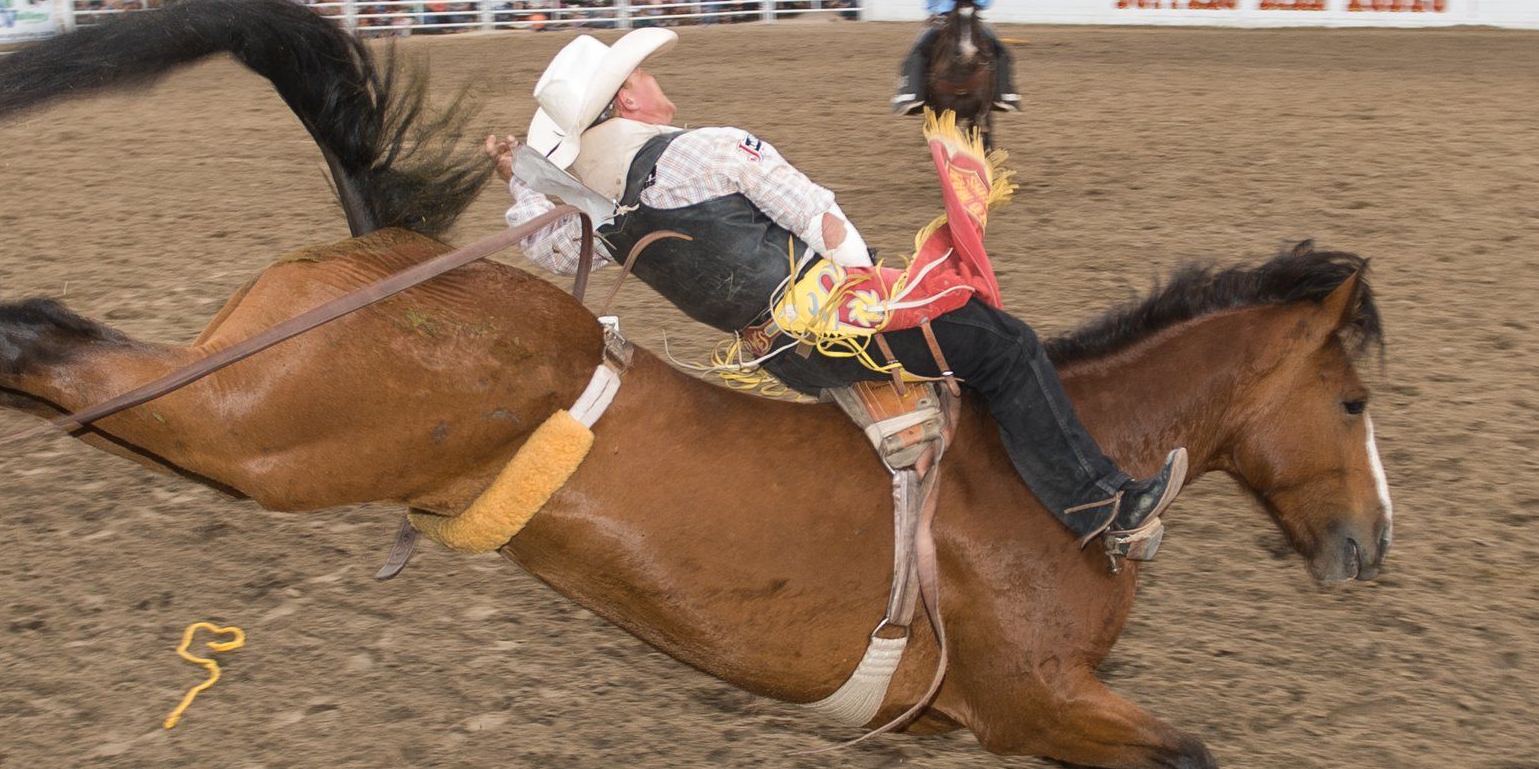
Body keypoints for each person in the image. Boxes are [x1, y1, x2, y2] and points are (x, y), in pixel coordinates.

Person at [485, 30, 1187, 555]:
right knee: (1006, 348)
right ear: (628, 100)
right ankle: (1104, 509)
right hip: (837, 319)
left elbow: (543, 242)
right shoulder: (708, 148)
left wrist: (525, 177)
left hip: (778, 356)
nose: (651, 75)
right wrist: (879, 292)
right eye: (640, 72)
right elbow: (821, 218)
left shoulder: (602, 212)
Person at [889, 0, 1019, 115]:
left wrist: (972, 5)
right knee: (917, 49)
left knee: (1000, 49)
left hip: (969, 17)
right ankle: (911, 95)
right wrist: (933, 10)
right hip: (943, 19)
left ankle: (1004, 95)